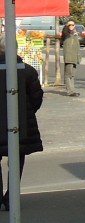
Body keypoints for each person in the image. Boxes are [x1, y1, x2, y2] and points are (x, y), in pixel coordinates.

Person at [0, 41, 45, 211]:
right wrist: (27, 112)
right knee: (17, 159)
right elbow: (37, 97)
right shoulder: (27, 70)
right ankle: (11, 197)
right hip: (20, 123)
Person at [60, 20, 82, 97]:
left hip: (75, 57)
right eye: (70, 25)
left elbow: (77, 47)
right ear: (67, 26)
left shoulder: (75, 35)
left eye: (73, 25)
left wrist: (79, 56)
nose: (71, 26)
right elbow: (64, 31)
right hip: (69, 57)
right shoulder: (66, 34)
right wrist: (66, 26)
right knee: (68, 74)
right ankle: (70, 91)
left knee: (72, 75)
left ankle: (73, 90)